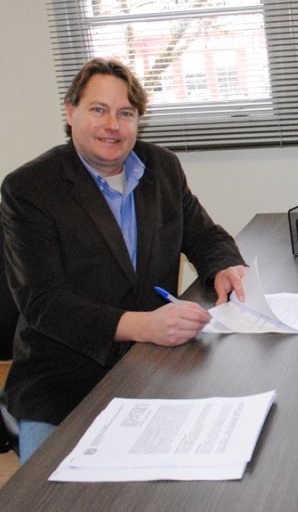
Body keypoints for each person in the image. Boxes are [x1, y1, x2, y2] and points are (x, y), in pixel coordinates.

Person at [1, 58, 247, 463]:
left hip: (156, 364)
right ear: (70, 112)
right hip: (63, 381)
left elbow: (204, 234)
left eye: (125, 113)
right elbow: (43, 302)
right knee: (47, 492)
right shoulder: (29, 188)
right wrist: (143, 325)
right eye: (98, 109)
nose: (112, 125)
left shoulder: (162, 168)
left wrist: (224, 265)